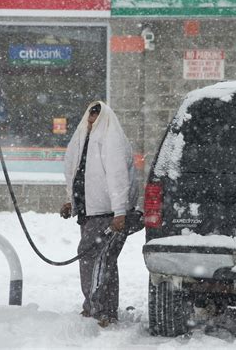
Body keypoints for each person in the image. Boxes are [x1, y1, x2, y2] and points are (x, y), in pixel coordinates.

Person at [60, 101, 138, 327]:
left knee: (92, 258)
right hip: (90, 213)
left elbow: (117, 178)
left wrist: (120, 211)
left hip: (107, 213)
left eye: (96, 116)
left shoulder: (110, 140)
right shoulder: (84, 139)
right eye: (90, 116)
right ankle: (105, 311)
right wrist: (71, 202)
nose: (92, 120)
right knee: (104, 261)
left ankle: (96, 309)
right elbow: (75, 173)